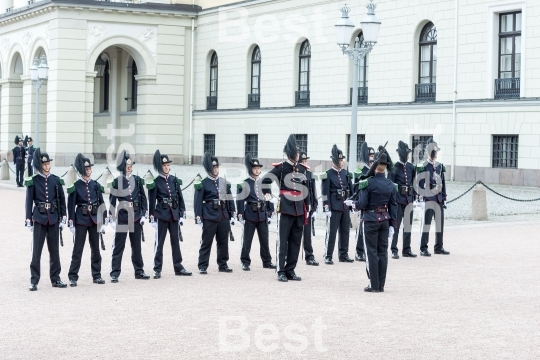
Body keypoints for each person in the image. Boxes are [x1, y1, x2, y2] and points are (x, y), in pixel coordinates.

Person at [347, 146, 397, 293]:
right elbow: (393, 207)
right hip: (385, 221)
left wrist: (353, 204)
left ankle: (373, 285)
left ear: (375, 166)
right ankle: (381, 285)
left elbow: (362, 204)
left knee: (371, 252)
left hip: (370, 219)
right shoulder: (390, 185)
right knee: (383, 252)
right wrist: (393, 225)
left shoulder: (367, 182)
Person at [261, 135, 310, 282]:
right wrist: (269, 197)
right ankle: (280, 270)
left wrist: (307, 206)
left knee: (295, 241)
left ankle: (290, 269)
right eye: (296, 152)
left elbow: (305, 188)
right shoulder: (281, 168)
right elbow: (265, 181)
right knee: (283, 241)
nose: (298, 154)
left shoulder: (302, 168)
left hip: (299, 208)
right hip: (286, 207)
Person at [25, 148, 67, 291]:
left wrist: (63, 217)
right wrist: (28, 219)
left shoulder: (56, 180)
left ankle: (56, 278)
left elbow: (62, 199)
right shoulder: (34, 181)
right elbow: (28, 201)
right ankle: (34, 280)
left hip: (53, 218)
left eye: (48, 164)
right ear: (40, 165)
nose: (47, 166)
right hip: (39, 217)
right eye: (45, 164)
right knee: (37, 251)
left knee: (54, 250)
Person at [146, 150, 191, 278]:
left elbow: (180, 197)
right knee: (159, 243)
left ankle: (178, 267)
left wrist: (182, 213)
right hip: (161, 214)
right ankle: (157, 269)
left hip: (174, 214)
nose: (166, 167)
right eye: (164, 165)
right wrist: (152, 217)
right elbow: (152, 200)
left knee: (175, 242)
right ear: (160, 167)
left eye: (168, 165)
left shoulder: (174, 180)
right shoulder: (155, 182)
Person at [108, 150, 151, 282]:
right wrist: (111, 217)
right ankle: (115, 272)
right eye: (128, 166)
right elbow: (112, 201)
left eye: (131, 166)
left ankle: (139, 271)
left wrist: (144, 213)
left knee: (136, 245)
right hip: (122, 216)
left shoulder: (137, 180)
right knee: (119, 245)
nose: (130, 168)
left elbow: (143, 198)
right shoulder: (117, 181)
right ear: (123, 167)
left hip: (136, 215)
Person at [67, 154, 108, 286]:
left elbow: (101, 202)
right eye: (87, 168)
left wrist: (104, 218)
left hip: (94, 219)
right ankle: (73, 276)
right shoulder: (76, 186)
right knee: (78, 250)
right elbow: (71, 205)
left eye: (90, 167)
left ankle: (97, 275)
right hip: (81, 219)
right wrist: (71, 222)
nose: (89, 169)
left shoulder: (95, 184)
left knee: (96, 249)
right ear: (82, 170)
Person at [194, 152, 236, 274]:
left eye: (217, 167)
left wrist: (232, 213)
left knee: (223, 241)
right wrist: (198, 217)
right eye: (213, 167)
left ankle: (223, 264)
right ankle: (202, 265)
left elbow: (229, 198)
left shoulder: (223, 181)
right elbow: (198, 202)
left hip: (223, 215)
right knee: (206, 242)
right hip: (209, 215)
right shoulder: (203, 183)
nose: (216, 169)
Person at [236, 154, 276, 271]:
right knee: (247, 240)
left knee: (264, 239)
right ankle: (245, 261)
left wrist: (270, 211)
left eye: (259, 168)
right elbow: (240, 200)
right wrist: (240, 214)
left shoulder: (264, 182)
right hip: (250, 214)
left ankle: (267, 261)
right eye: (255, 168)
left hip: (262, 214)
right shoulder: (245, 183)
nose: (257, 170)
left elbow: (268, 196)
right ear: (251, 169)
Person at [320, 145, 354, 264]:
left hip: (344, 205)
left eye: (342, 159)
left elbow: (350, 190)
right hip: (334, 206)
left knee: (345, 231)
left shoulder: (345, 173)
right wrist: (326, 207)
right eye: (339, 160)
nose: (342, 162)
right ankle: (328, 255)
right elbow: (324, 192)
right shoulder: (328, 174)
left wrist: (352, 204)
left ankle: (343, 254)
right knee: (332, 232)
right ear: (334, 161)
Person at [417, 138, 450, 256]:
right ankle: (423, 247)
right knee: (426, 224)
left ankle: (439, 246)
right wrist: (420, 198)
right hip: (428, 197)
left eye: (436, 152)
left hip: (438, 198)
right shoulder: (423, 166)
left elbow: (443, 183)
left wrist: (444, 198)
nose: (435, 154)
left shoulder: (439, 166)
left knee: (439, 224)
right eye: (434, 151)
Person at [387, 141, 417, 259]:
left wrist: (414, 197)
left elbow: (413, 183)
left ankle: (406, 248)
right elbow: (390, 186)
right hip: (398, 200)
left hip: (408, 199)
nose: (408, 155)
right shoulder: (394, 168)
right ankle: (394, 249)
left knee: (408, 225)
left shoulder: (410, 167)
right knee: (396, 225)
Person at [351, 142, 375, 262]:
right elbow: (355, 189)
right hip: (362, 203)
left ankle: (365, 251)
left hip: (373, 204)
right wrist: (355, 204)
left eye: (373, 155)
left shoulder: (375, 171)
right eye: (370, 155)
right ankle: (358, 251)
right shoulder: (360, 172)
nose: (372, 157)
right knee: (360, 230)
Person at [300, 151, 319, 266]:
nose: (304, 163)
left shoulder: (310, 174)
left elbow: (313, 192)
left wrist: (315, 207)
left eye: (305, 161)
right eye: (302, 162)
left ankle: (309, 256)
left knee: (307, 234)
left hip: (308, 208)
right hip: (297, 208)